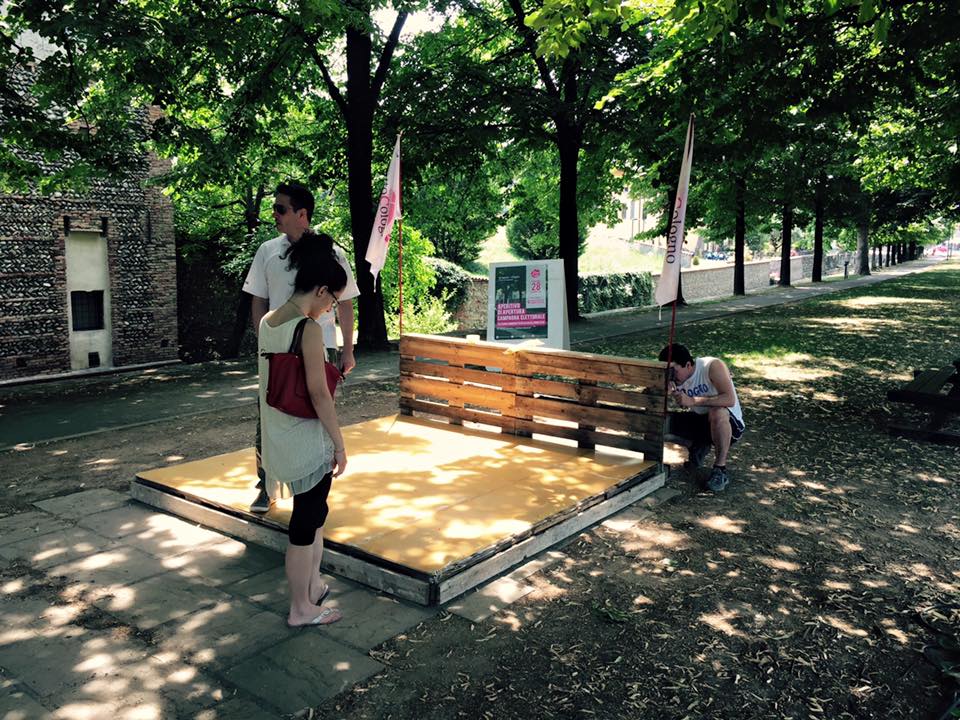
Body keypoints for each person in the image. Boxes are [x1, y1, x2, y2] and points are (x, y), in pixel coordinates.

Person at [243, 181, 360, 513]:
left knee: (316, 414)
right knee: (271, 414)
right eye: (274, 208)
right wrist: (265, 340)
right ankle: (267, 483)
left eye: (281, 209)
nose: (274, 214)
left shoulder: (331, 253)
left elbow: (346, 303)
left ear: (302, 214)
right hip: (278, 348)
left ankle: (312, 486)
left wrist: (347, 349)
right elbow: (258, 299)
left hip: (319, 346)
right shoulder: (268, 251)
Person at [258, 231, 348, 627]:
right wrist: (339, 445)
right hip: (307, 438)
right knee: (305, 522)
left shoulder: (269, 321)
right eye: (332, 301)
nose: (330, 310)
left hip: (279, 434)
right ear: (322, 289)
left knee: (313, 515)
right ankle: (300, 608)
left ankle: (313, 588)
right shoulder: (307, 329)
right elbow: (318, 394)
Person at [658, 343, 745, 492]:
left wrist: (694, 400)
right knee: (661, 422)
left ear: (688, 365)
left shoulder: (711, 366)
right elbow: (650, 396)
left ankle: (720, 469)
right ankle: (698, 445)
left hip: (730, 425)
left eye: (673, 370)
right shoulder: (675, 379)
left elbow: (729, 399)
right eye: (666, 371)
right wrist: (662, 392)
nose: (670, 375)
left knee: (717, 412)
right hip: (701, 421)